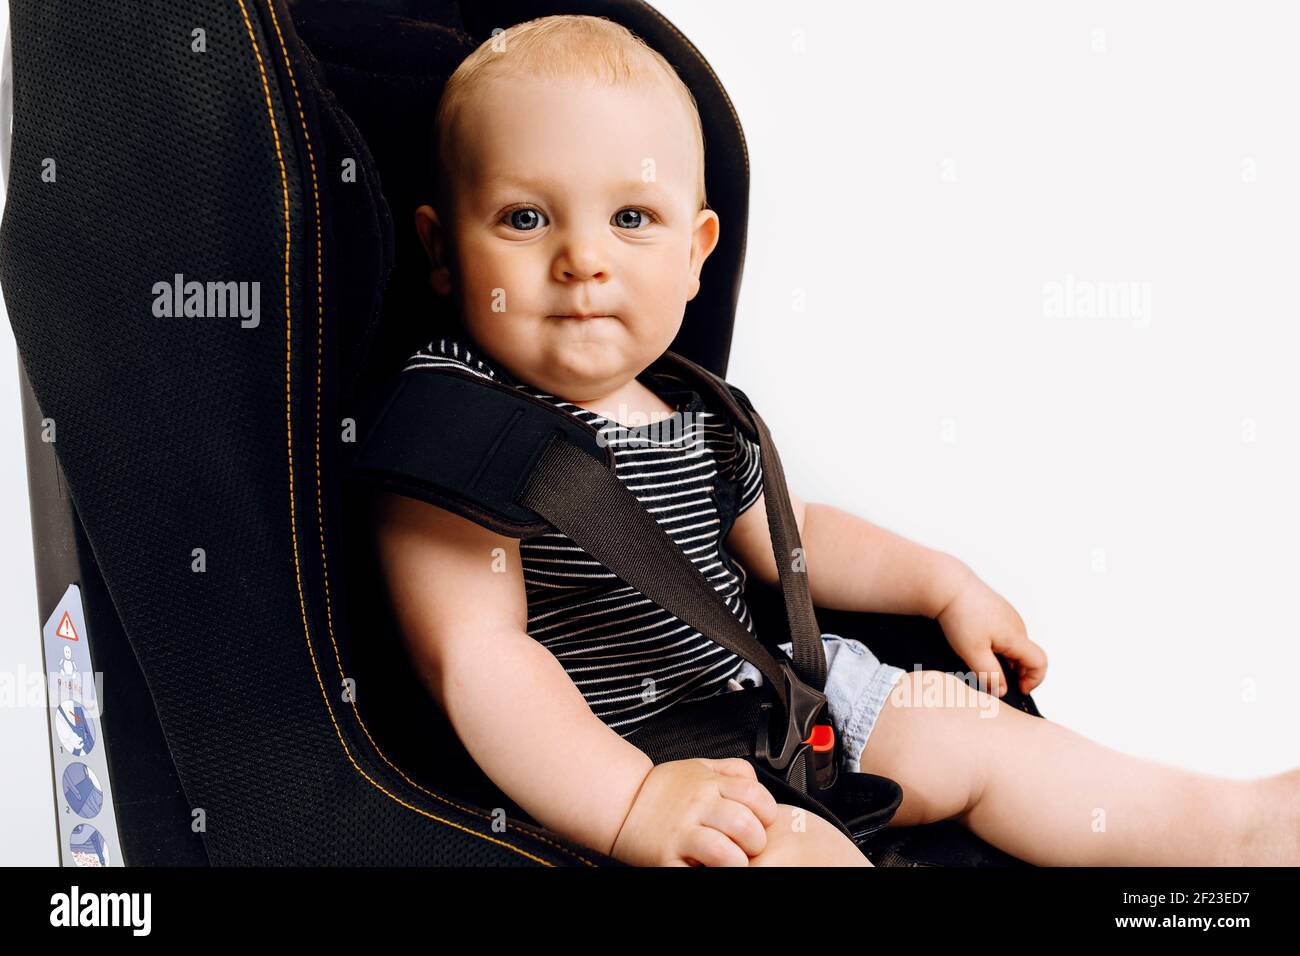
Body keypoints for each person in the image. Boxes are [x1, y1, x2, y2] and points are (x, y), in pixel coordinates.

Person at [374, 14, 1299, 867]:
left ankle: (1233, 828)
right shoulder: (457, 426)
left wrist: (944, 582)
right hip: (625, 758)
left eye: (631, 219)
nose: (582, 258)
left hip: (776, 699)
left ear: (697, 254)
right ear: (444, 250)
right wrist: (631, 804)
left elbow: (792, 538)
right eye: (525, 218)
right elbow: (475, 659)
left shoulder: (693, 408)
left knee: (978, 734)